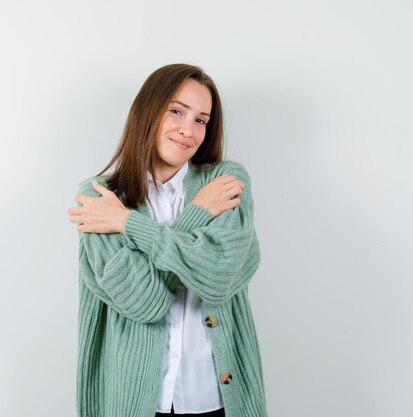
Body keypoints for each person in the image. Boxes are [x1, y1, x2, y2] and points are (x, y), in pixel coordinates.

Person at [67, 64, 267, 417]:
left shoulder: (225, 182)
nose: (188, 130)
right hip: (137, 402)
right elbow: (145, 302)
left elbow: (218, 278)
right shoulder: (100, 199)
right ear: (149, 110)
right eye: (177, 111)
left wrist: (127, 224)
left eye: (201, 120)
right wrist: (197, 217)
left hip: (217, 398)